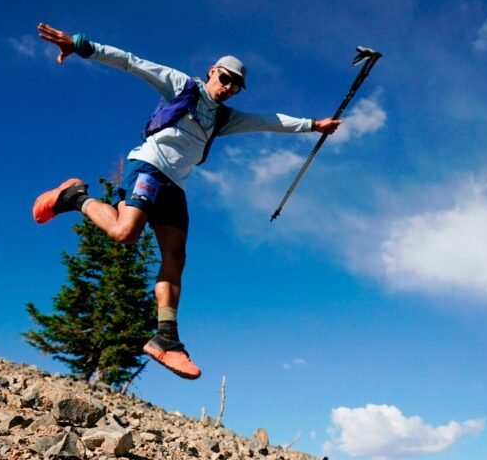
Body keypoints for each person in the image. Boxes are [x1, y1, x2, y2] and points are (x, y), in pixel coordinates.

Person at [32, 23, 341, 380]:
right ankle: (74, 197)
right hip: (149, 165)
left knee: (175, 258)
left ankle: (166, 339)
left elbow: (266, 121)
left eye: (235, 87)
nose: (227, 89)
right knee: (125, 233)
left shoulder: (224, 118)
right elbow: (133, 62)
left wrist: (312, 125)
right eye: (224, 79)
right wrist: (82, 45)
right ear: (213, 71)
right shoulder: (183, 86)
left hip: (175, 186)